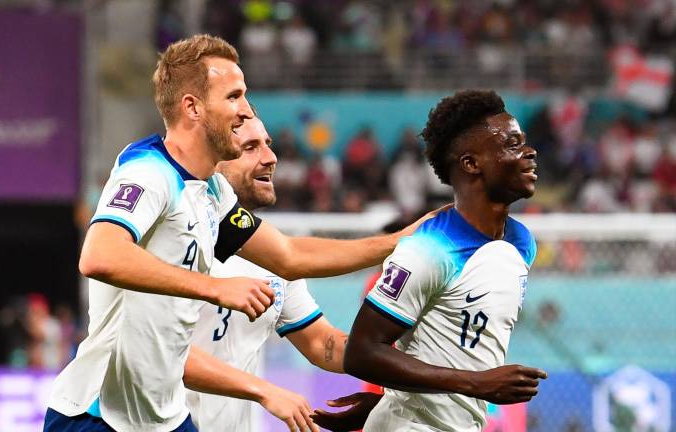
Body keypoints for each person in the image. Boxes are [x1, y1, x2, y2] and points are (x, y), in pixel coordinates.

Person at [45, 34, 427, 432]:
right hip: (98, 415)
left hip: (166, 419)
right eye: (234, 96)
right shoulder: (148, 173)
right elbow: (99, 256)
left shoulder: (213, 191)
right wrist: (215, 289)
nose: (244, 109)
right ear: (192, 107)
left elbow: (289, 257)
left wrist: (403, 242)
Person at [318, 90, 548, 432]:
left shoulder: (520, 243)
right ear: (471, 164)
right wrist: (478, 383)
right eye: (512, 144)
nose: (529, 152)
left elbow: (445, 341)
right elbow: (362, 353)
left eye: (524, 141)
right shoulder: (425, 250)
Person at [186, 115, 348, 432]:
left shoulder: (273, 259)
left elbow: (320, 343)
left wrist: (395, 359)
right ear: (214, 160)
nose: (270, 158)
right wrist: (264, 390)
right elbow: (158, 350)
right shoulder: (175, 240)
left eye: (268, 145)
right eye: (250, 147)